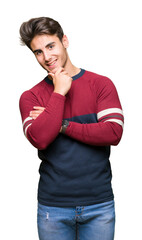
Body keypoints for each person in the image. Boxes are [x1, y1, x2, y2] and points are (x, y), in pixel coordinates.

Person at [19, 17, 124, 240]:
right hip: (53, 207)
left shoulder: (101, 84)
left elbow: (113, 133)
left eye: (50, 46)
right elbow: (40, 139)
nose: (46, 57)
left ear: (64, 41)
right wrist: (59, 92)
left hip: (99, 204)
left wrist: (61, 124)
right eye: (38, 52)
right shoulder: (30, 97)